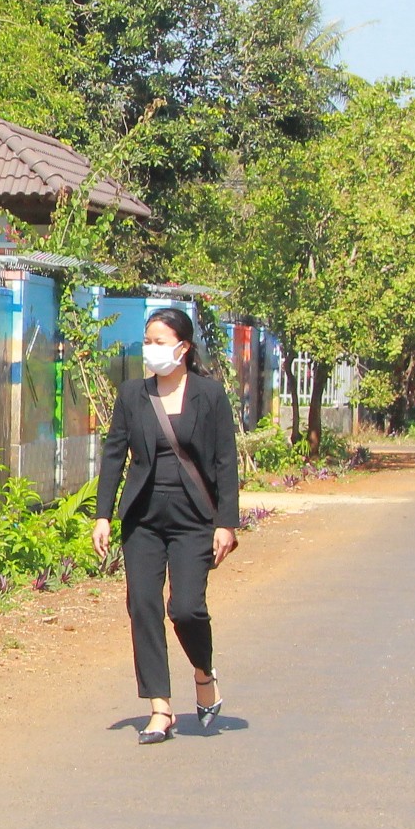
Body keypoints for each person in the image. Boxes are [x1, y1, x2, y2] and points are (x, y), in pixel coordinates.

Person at [92, 307, 241, 743]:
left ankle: (202, 672)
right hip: (143, 517)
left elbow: (225, 462)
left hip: (194, 518)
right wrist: (103, 514)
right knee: (143, 605)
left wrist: (226, 523)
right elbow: (114, 456)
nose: (151, 349)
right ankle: (160, 706)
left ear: (183, 347)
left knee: (186, 608)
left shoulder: (209, 395)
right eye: (148, 340)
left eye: (160, 341)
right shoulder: (131, 395)